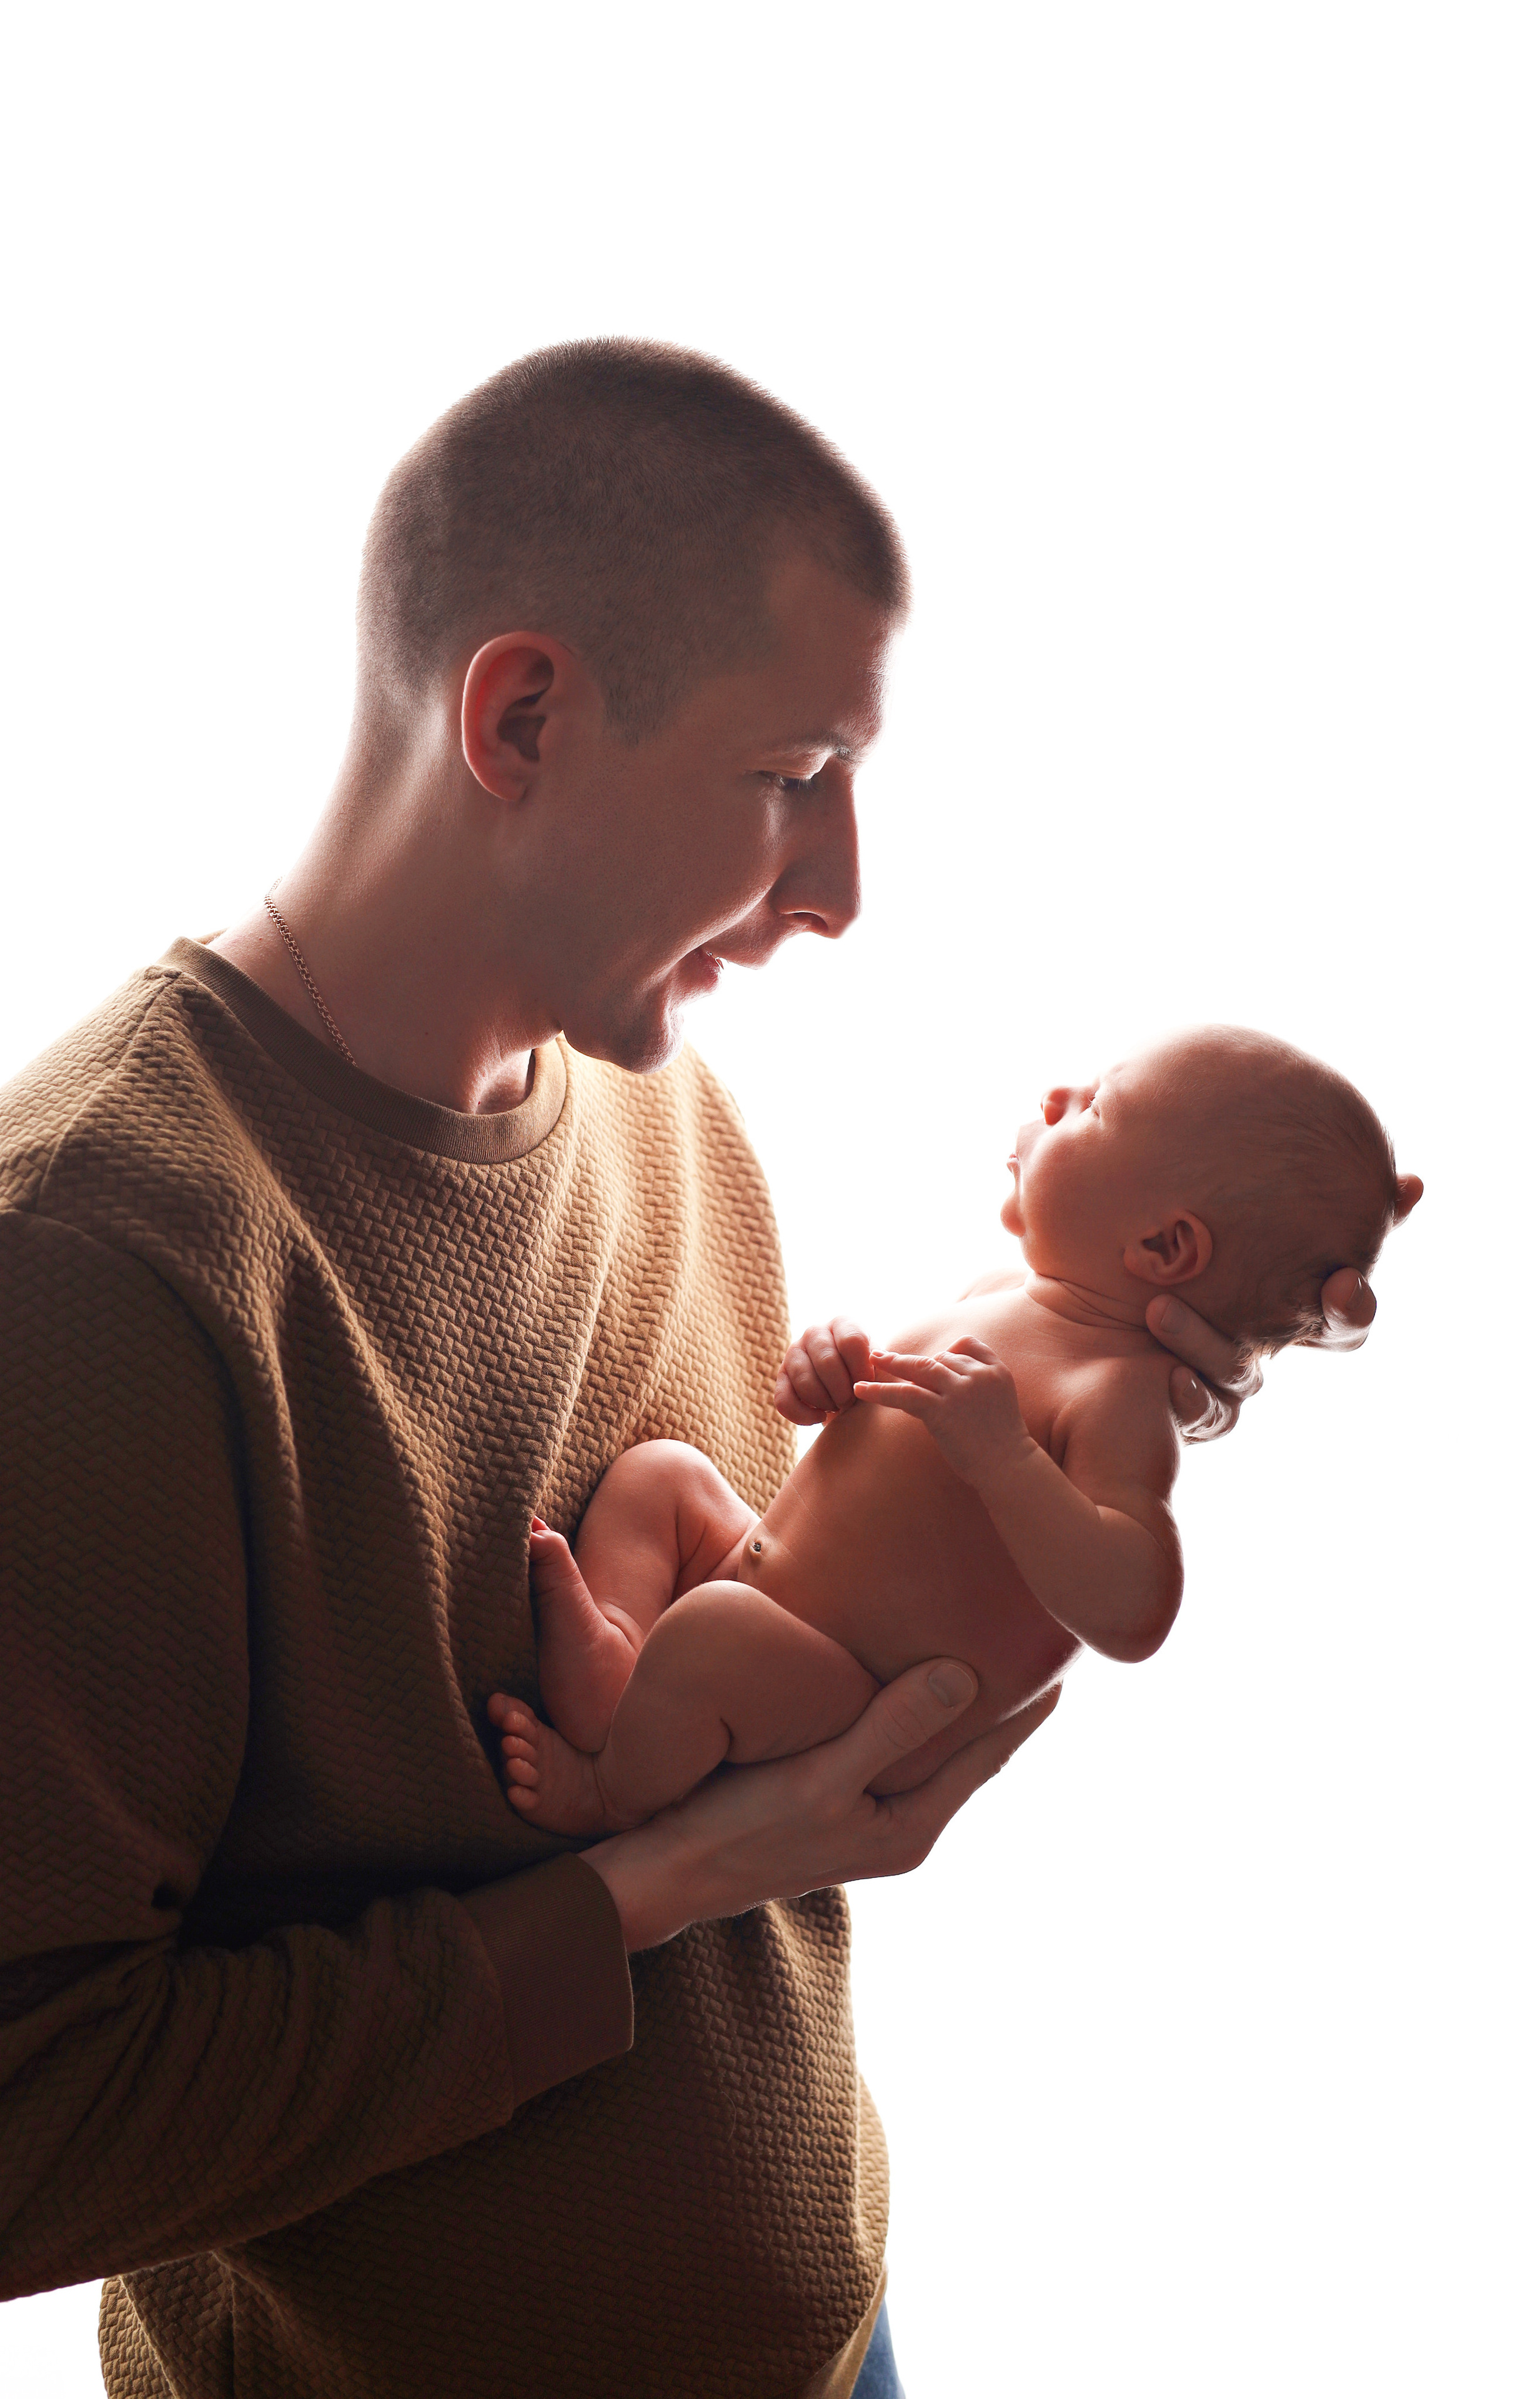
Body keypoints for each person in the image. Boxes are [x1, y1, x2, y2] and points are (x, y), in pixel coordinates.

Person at [0, 342, 1377, 2399]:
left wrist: (1123, 1387)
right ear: (524, 715)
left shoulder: (668, 1116)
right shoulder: (96, 1272)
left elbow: (763, 1677)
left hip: (832, 2338)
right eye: (792, 772)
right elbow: (31, 2136)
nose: (840, 890)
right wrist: (667, 1883)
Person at [490, 1027, 1422, 1839]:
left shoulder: (1115, 1398)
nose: (1056, 1095)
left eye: (1095, 1106)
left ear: (1164, 1250)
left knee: (711, 1635)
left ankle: (610, 1794)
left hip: (845, 1698)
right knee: (664, 1477)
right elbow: (882, 1440)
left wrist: (1006, 1459)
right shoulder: (998, 1295)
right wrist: (832, 1367)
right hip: (755, 1578)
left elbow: (1135, 1609)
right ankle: (621, 1656)